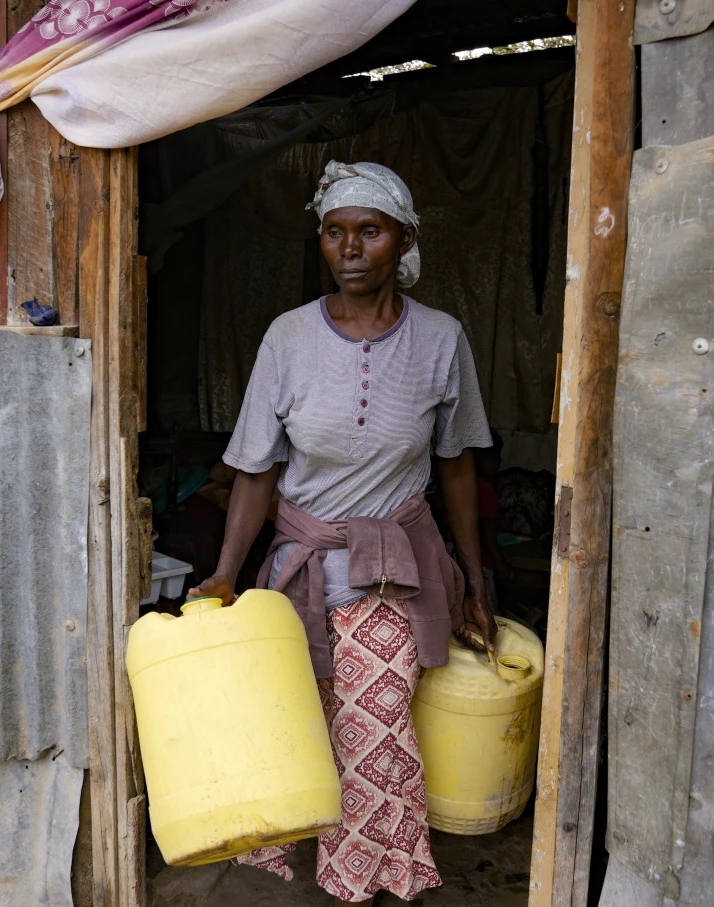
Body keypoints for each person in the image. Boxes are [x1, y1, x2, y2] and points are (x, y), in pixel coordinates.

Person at [188, 160, 496, 904]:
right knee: (306, 723)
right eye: (334, 232)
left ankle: (355, 883)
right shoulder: (288, 338)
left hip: (393, 565)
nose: (350, 248)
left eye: (370, 231)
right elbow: (256, 471)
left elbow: (454, 468)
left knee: (374, 726)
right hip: (300, 564)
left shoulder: (441, 339)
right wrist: (229, 571)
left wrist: (476, 581)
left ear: (405, 239)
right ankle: (390, 868)